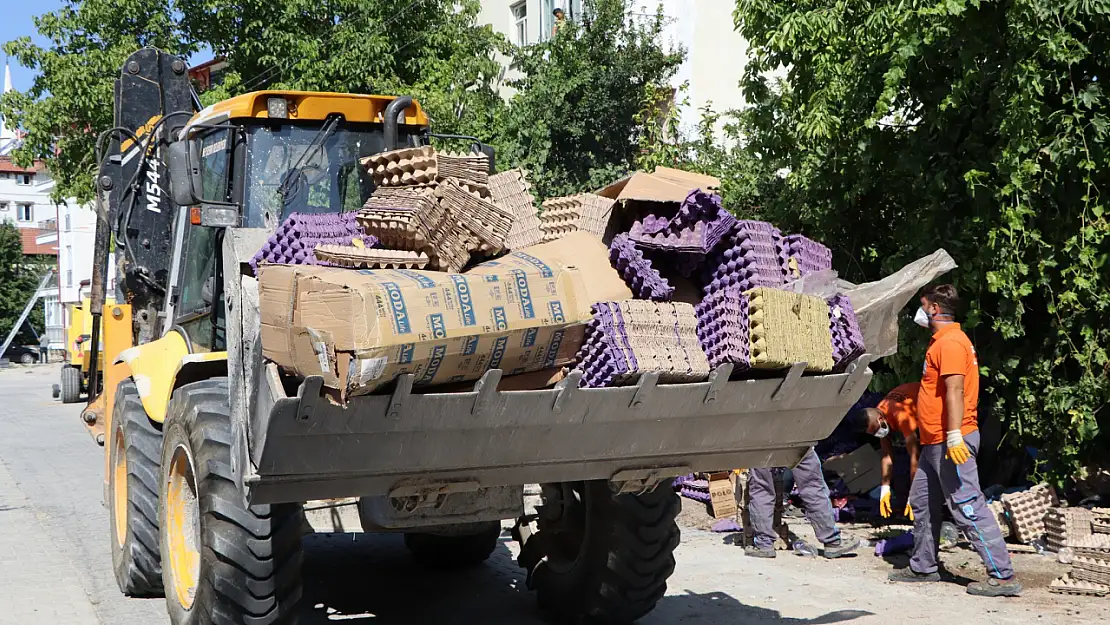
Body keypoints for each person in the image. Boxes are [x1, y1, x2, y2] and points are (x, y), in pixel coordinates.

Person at [887, 284, 1021, 596]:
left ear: (934, 308)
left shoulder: (949, 344)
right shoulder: (943, 342)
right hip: (934, 442)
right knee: (922, 502)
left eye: (923, 305)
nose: (919, 312)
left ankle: (1003, 576)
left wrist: (954, 435)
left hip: (951, 443)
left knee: (967, 506)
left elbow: (955, 390)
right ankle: (924, 566)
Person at [744, 447, 860, 559]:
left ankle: (764, 545)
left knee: (762, 488)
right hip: (798, 437)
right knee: (812, 485)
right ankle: (832, 542)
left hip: (761, 440)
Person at [851, 382, 921, 520]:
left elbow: (915, 455)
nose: (877, 433)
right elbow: (887, 455)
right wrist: (885, 489)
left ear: (880, 419)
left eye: (875, 429)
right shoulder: (880, 411)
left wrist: (914, 494)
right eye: (873, 433)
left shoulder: (902, 415)